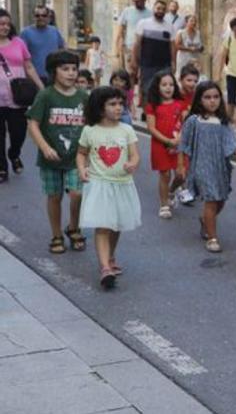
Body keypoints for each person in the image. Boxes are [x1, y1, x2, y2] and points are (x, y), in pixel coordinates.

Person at [75, 86, 141, 290]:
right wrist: (81, 169)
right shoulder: (90, 131)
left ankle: (110, 256)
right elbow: (81, 153)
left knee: (116, 224)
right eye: (112, 104)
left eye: (121, 103)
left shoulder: (126, 129)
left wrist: (133, 163)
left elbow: (135, 155)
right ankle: (105, 268)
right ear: (100, 108)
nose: (118, 108)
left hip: (122, 184)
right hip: (99, 184)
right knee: (102, 225)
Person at [26, 50, 85, 253]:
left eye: (74, 69)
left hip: (76, 158)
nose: (70, 73)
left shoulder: (83, 97)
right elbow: (33, 124)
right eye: (65, 69)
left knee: (77, 194)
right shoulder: (46, 95)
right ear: (53, 71)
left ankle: (74, 227)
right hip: (50, 158)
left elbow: (92, 126)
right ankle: (56, 234)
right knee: (54, 197)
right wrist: (45, 147)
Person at [178, 81, 236, 253]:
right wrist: (181, 166)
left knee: (220, 200)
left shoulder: (223, 121)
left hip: (220, 167)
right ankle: (212, 238)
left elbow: (232, 140)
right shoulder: (194, 121)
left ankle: (205, 220)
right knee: (211, 199)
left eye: (216, 97)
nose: (212, 101)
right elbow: (183, 144)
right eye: (207, 97)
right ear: (199, 100)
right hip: (201, 166)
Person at [1, 9, 44, 182]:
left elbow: (29, 67)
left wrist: (41, 87)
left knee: (18, 134)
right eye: (1, 24)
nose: (4, 27)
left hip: (17, 98)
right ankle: (2, 168)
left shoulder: (18, 43)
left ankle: (14, 154)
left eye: (7, 23)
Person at [144, 71, 186, 220]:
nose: (168, 88)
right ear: (157, 87)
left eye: (171, 84)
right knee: (165, 174)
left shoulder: (180, 104)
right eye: (164, 85)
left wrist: (180, 138)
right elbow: (151, 127)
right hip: (160, 144)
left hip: (179, 144)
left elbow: (186, 123)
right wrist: (167, 141)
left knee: (181, 175)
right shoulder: (152, 105)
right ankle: (164, 204)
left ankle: (172, 191)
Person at [129, 0, 175, 98]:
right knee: (147, 90)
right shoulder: (143, 23)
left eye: (163, 9)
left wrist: (173, 63)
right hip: (147, 64)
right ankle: (147, 113)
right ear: (153, 9)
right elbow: (137, 44)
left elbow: (172, 46)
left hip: (164, 65)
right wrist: (134, 60)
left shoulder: (169, 27)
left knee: (163, 91)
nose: (160, 11)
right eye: (158, 8)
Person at [172, 65, 200, 206]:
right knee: (179, 170)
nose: (192, 84)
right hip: (175, 136)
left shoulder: (197, 96)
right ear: (181, 79)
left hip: (191, 137)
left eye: (195, 81)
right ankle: (172, 190)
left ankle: (182, 190)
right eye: (189, 80)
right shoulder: (174, 95)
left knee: (186, 169)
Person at [20, 5, 67, 84]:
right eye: (37, 15)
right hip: (33, 77)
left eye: (44, 15)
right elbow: (22, 56)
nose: (40, 18)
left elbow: (63, 49)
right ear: (33, 17)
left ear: (48, 17)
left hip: (54, 76)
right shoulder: (25, 33)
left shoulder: (54, 31)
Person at [113, 0, 150, 84]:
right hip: (129, 46)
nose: (136, 3)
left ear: (144, 1)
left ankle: (141, 94)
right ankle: (131, 94)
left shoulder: (149, 13)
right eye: (135, 1)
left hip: (145, 47)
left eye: (138, 1)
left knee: (143, 73)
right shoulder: (127, 11)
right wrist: (118, 45)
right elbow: (121, 28)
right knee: (130, 72)